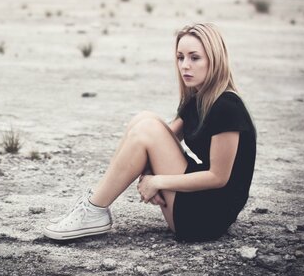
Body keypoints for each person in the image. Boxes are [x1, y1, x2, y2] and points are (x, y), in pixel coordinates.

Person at [43, 23, 256, 242]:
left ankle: (95, 209)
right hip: (194, 203)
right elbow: (160, 141)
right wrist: (147, 175)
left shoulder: (227, 107)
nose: (185, 66)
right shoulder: (199, 99)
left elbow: (218, 178)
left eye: (194, 58)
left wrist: (158, 182)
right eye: (180, 57)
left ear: (215, 59)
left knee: (148, 128)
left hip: (207, 217)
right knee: (143, 119)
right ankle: (94, 207)